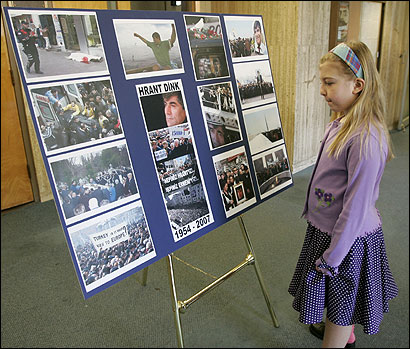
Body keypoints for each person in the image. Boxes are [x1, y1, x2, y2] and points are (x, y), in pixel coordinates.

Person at [288, 41, 398, 348]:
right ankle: (344, 333)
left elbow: (356, 207)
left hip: (347, 242)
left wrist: (333, 257)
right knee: (340, 300)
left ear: (358, 85)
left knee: (341, 305)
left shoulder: (365, 139)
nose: (322, 90)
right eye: (322, 82)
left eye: (329, 83)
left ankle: (340, 338)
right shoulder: (342, 121)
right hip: (329, 229)